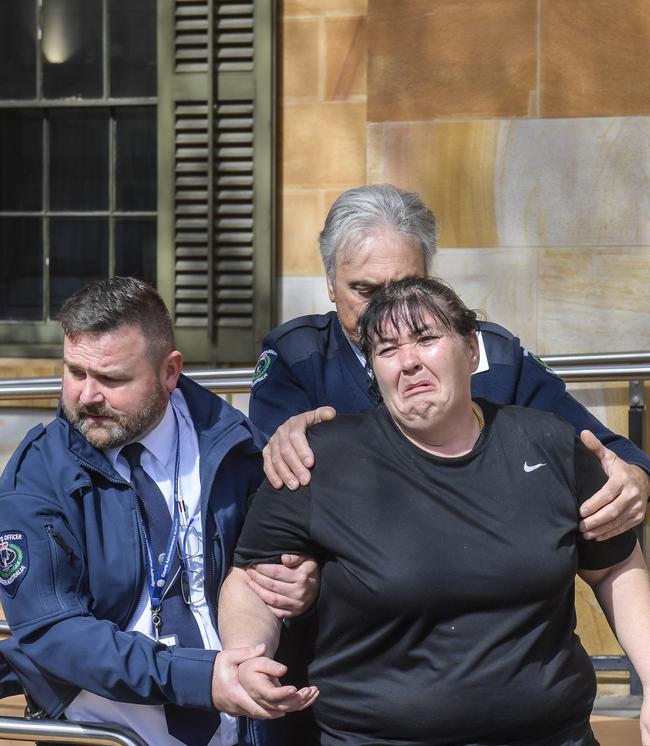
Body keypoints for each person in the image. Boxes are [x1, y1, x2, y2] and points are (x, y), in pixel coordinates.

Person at [219, 276, 650, 746]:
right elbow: (253, 579)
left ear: (472, 350)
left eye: (425, 338)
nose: (408, 362)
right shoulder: (318, 462)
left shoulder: (551, 445)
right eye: (387, 350)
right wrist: (245, 655)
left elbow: (616, 565)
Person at [0, 278, 319, 746]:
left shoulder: (236, 446)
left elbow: (279, 559)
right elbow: (52, 632)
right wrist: (200, 679)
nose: (86, 396)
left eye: (112, 379)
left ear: (171, 371)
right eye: (75, 371)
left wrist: (303, 582)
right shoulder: (36, 477)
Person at [249, 184, 650, 546]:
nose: (389, 313)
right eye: (366, 290)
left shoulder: (493, 355)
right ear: (331, 285)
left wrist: (633, 481)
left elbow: (606, 449)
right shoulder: (295, 357)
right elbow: (270, 500)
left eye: (407, 288)